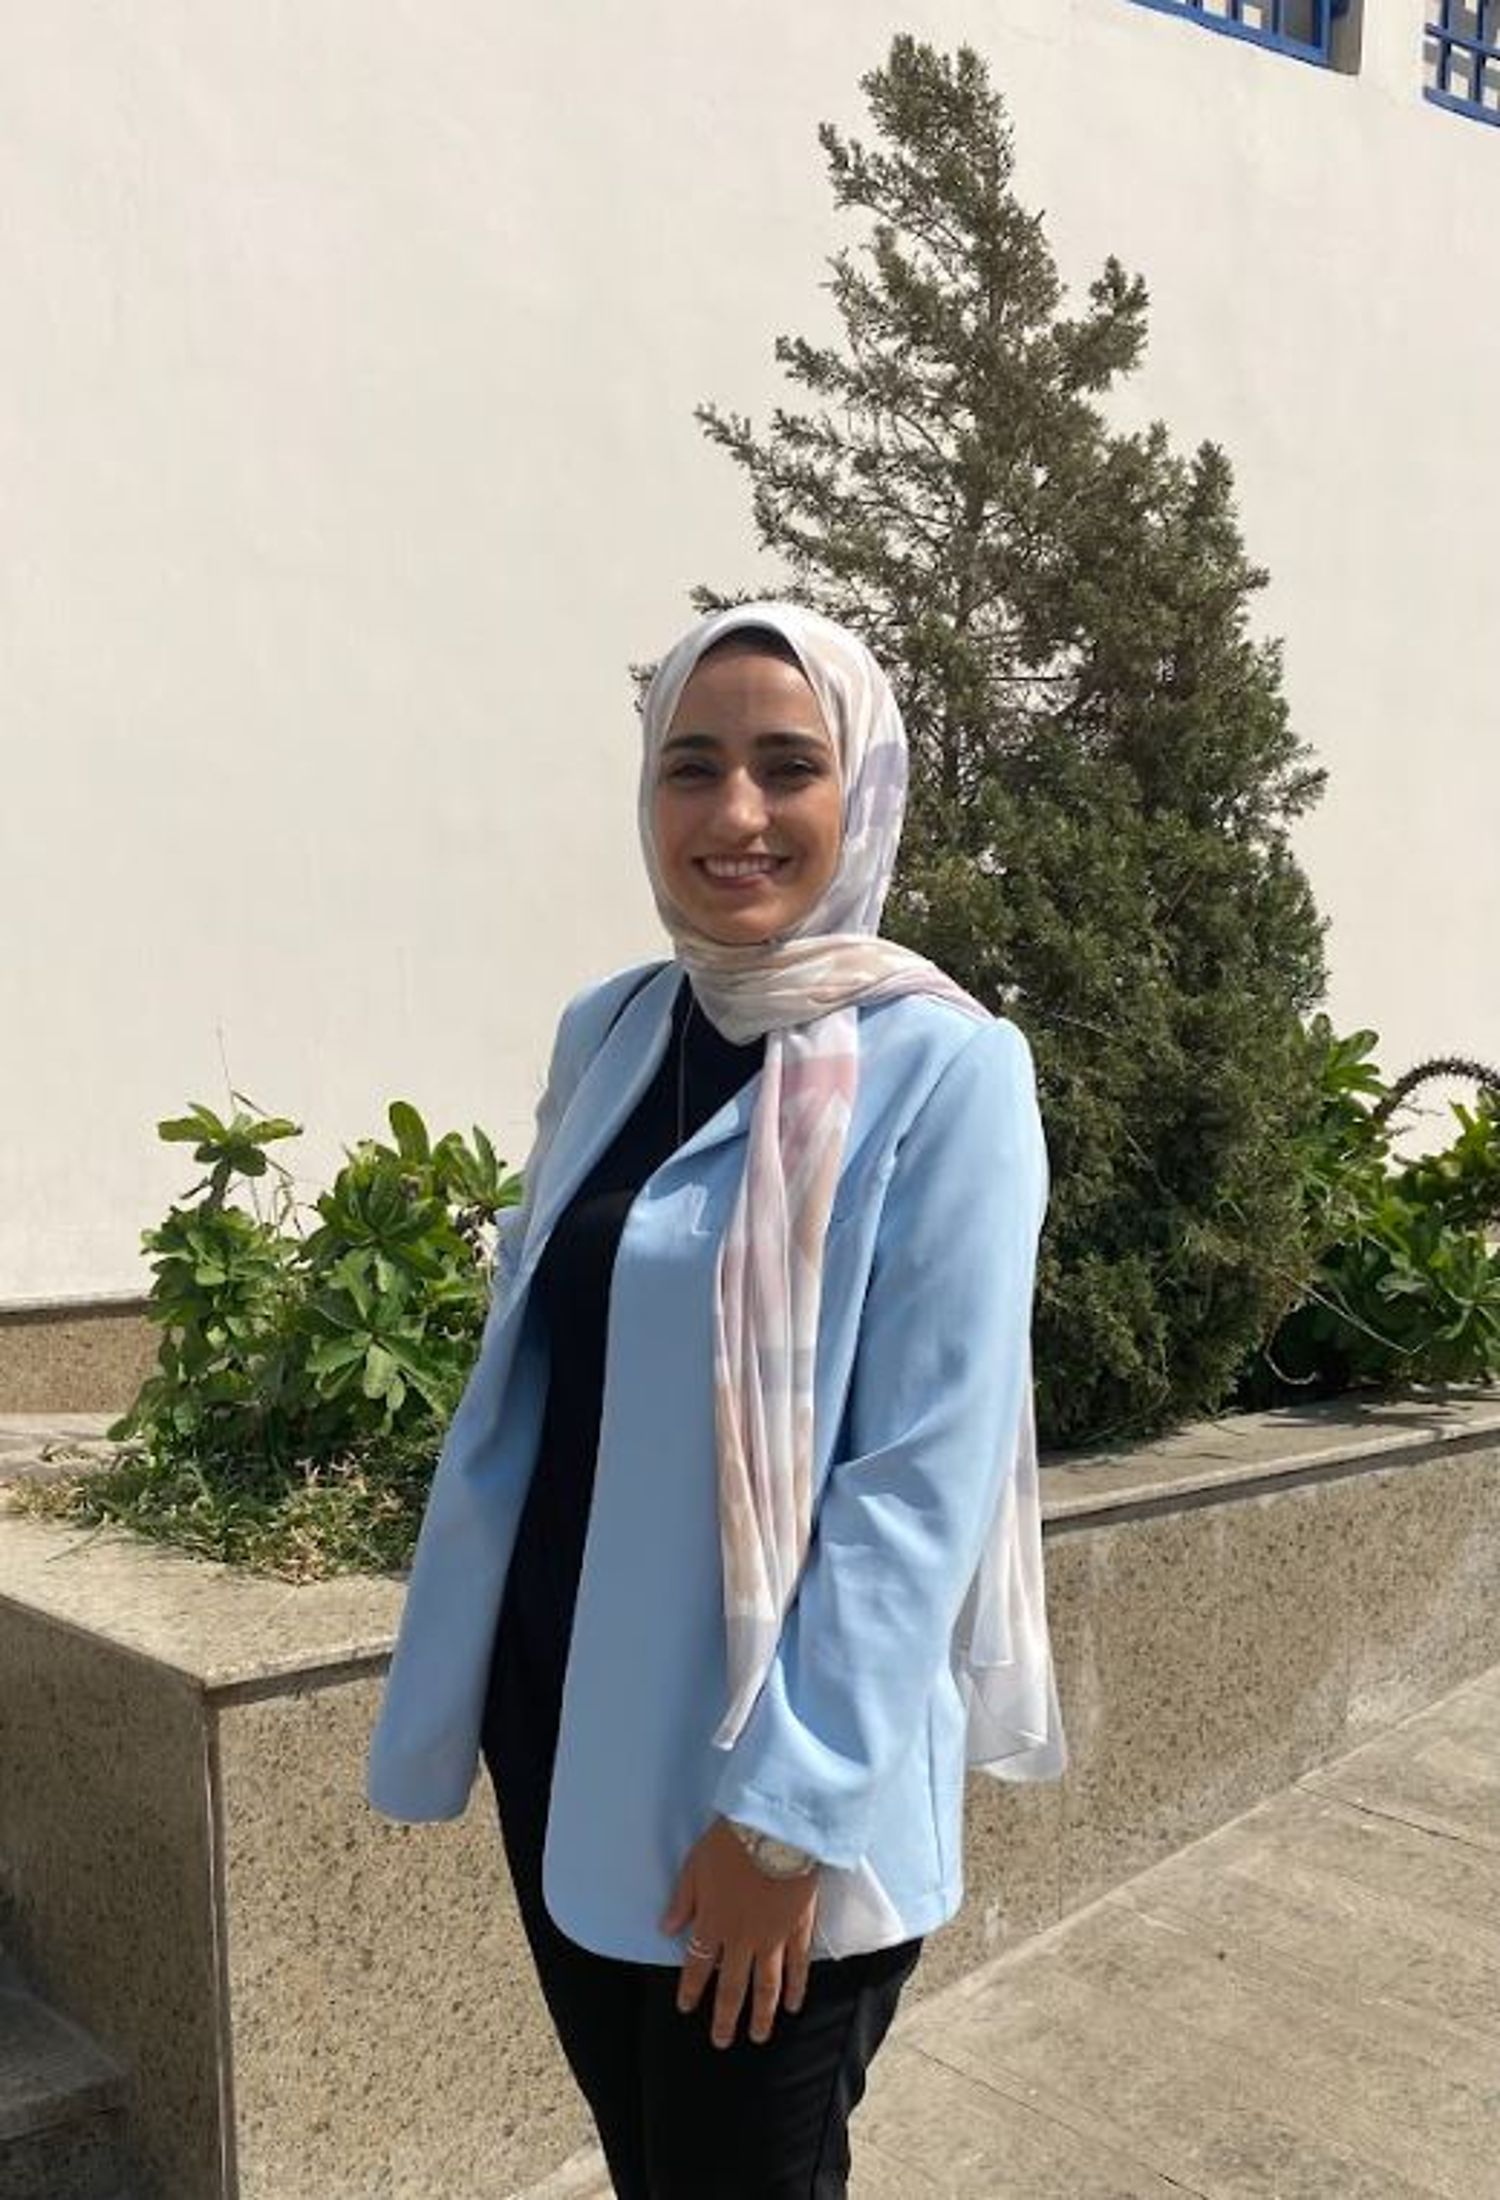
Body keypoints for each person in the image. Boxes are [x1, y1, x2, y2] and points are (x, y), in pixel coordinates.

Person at [366, 601, 1066, 2199]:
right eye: (693, 765)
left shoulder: (947, 1070)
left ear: (861, 788)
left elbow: (918, 1481)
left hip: (774, 1789)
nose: (735, 812)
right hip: (568, 1729)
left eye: (786, 765)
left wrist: (779, 1828)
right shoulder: (613, 1029)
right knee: (649, 2162)